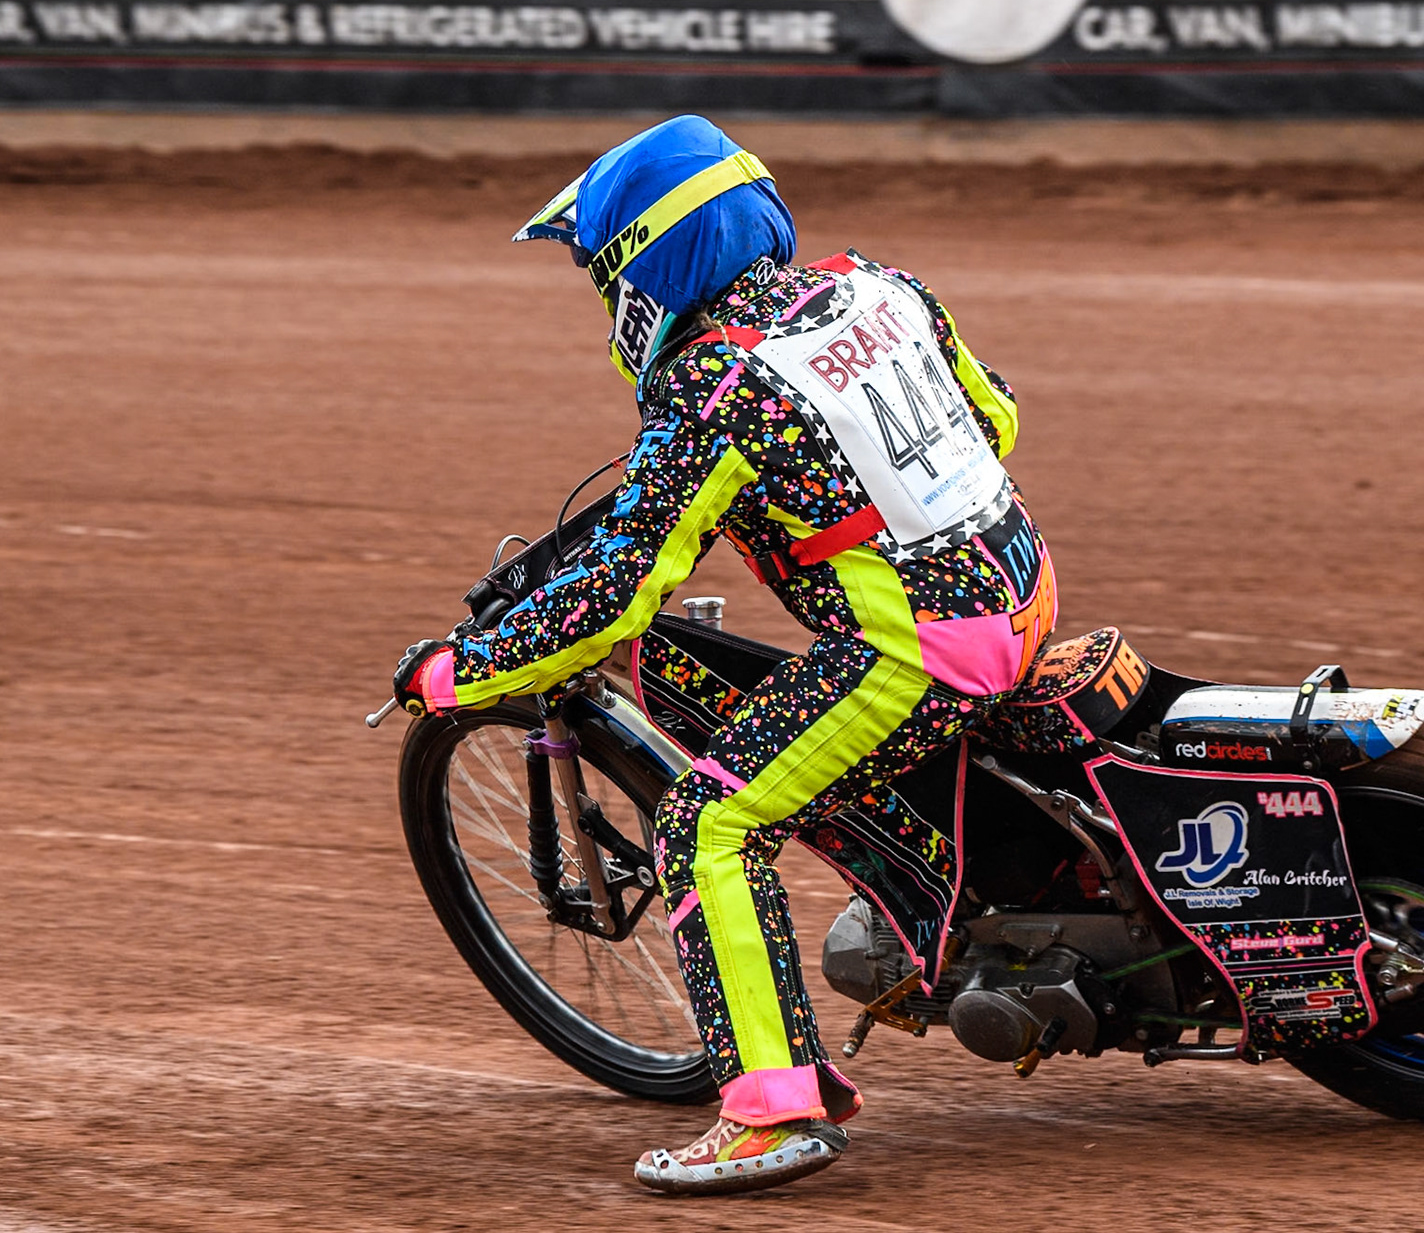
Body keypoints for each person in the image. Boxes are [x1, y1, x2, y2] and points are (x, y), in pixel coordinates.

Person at [392, 115, 1057, 1195]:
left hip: (922, 650)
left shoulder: (709, 390)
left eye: (601, 277)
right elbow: (998, 422)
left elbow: (614, 594)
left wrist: (458, 674)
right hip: (1022, 583)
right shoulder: (879, 285)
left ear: (644, 271)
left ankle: (771, 1109)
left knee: (707, 818)